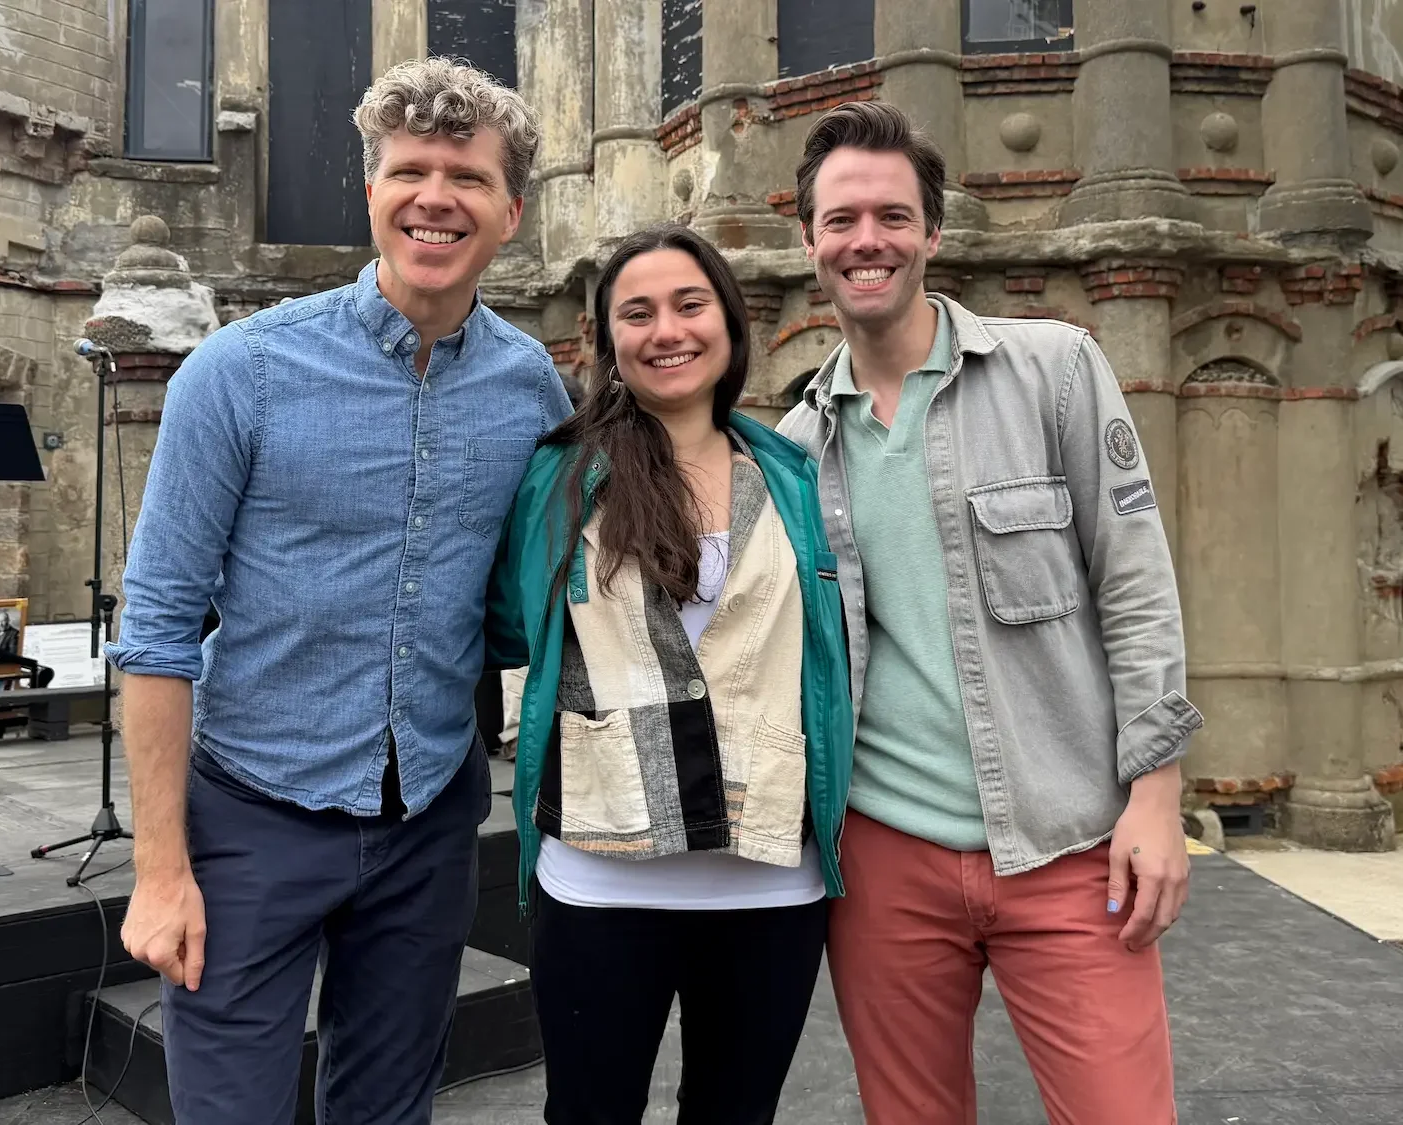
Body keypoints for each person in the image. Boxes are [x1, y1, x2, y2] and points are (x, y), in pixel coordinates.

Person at [103, 58, 572, 1125]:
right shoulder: (240, 373)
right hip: (252, 815)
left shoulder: (532, 389)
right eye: (410, 169)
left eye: (466, 175)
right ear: (372, 193)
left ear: (511, 211)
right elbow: (160, 626)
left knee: (390, 1109)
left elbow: (558, 586)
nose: (434, 196)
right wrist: (162, 868)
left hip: (430, 817)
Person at [778, 101, 1204, 1125]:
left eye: (890, 215)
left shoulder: (1053, 370)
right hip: (884, 863)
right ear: (809, 242)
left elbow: (1137, 584)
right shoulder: (794, 446)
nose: (864, 240)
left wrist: (1157, 800)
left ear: (933, 231)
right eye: (840, 221)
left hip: (1068, 841)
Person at [484, 223, 853, 1125]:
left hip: (771, 879)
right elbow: (501, 622)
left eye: (690, 304)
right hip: (603, 878)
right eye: (637, 313)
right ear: (609, 342)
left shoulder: (796, 475)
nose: (667, 330)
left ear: (728, 320)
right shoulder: (559, 480)